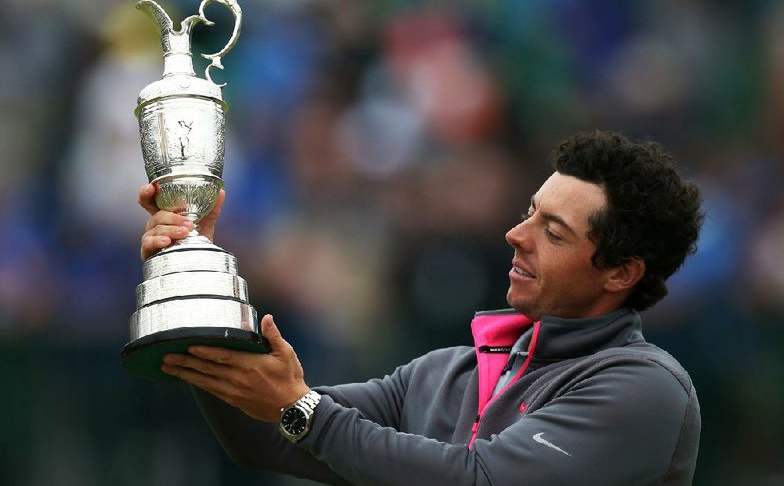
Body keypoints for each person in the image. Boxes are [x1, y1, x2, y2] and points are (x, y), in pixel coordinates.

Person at [138, 130, 704, 485]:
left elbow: (478, 481)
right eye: (529, 212)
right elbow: (264, 431)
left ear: (620, 273)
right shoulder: (444, 374)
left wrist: (302, 409)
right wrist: (195, 276)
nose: (515, 234)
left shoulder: (642, 389)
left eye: (552, 232)